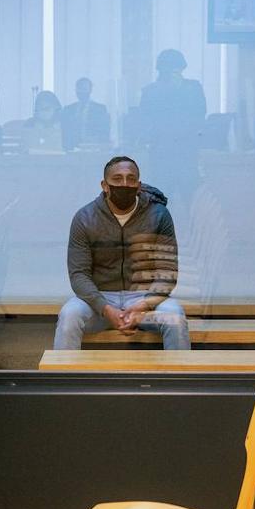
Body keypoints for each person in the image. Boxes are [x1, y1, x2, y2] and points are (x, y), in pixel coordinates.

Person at [54, 156, 189, 350]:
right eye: (117, 179)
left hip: (145, 299)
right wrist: (106, 309)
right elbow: (79, 275)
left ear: (139, 186)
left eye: (131, 179)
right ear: (105, 185)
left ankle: (178, 371)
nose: (124, 184)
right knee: (69, 315)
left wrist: (144, 305)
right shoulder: (85, 218)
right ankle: (65, 371)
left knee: (175, 317)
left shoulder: (159, 215)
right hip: (99, 299)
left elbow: (167, 271)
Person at [138, 50, 206, 204]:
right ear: (161, 70)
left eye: (177, 68)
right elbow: (146, 119)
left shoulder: (193, 88)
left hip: (186, 152)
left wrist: (179, 91)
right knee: (161, 198)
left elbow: (200, 113)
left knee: (190, 197)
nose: (174, 72)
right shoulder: (151, 91)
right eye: (169, 69)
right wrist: (169, 91)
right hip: (161, 153)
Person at [61, 77, 111, 150]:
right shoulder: (68, 109)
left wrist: (95, 139)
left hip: (92, 148)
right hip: (71, 148)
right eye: (79, 88)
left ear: (90, 90)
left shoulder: (100, 109)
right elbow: (65, 130)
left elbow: (104, 131)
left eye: (84, 89)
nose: (81, 91)